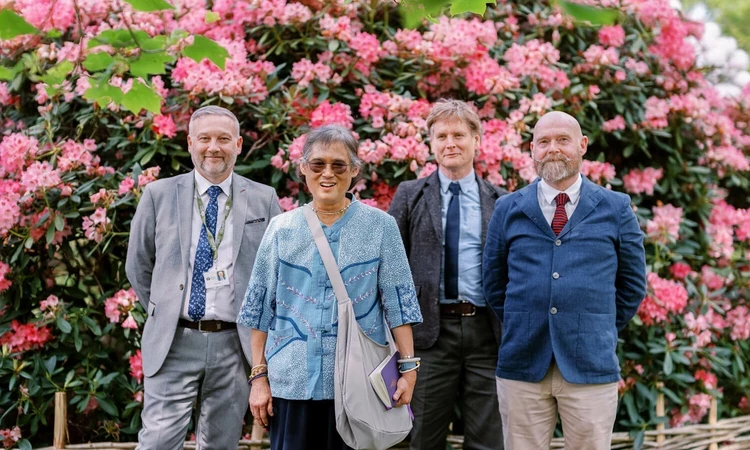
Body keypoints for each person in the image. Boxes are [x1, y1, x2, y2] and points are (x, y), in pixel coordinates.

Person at [237, 125, 423, 450]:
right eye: (317, 164)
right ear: (303, 169)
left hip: (359, 386)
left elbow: (399, 304)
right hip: (292, 383)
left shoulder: (381, 227)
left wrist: (408, 370)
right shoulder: (282, 229)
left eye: (338, 165)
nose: (327, 174)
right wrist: (259, 379)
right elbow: (259, 309)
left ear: (354, 170)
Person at [483, 111, 647, 450]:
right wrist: (525, 320)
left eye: (562, 140)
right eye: (544, 142)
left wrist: (593, 325)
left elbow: (632, 285)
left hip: (590, 364)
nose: (552, 148)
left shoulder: (616, 208)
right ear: (532, 149)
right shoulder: (508, 208)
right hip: (522, 363)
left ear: (582, 145)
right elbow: (494, 284)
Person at [126, 105, 282, 449]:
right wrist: (163, 308)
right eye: (205, 138)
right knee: (157, 442)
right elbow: (138, 265)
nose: (214, 147)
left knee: (220, 444)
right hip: (174, 340)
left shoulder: (263, 199)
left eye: (224, 139)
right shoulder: (158, 195)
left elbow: (276, 273)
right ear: (190, 143)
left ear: (238, 145)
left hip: (234, 344)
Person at [388, 99, 505, 450]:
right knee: (423, 436)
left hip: (486, 333)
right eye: (441, 136)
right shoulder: (409, 195)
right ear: (431, 143)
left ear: (477, 140)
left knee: (489, 439)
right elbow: (390, 269)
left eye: (458, 134)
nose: (449, 143)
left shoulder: (501, 201)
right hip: (428, 336)